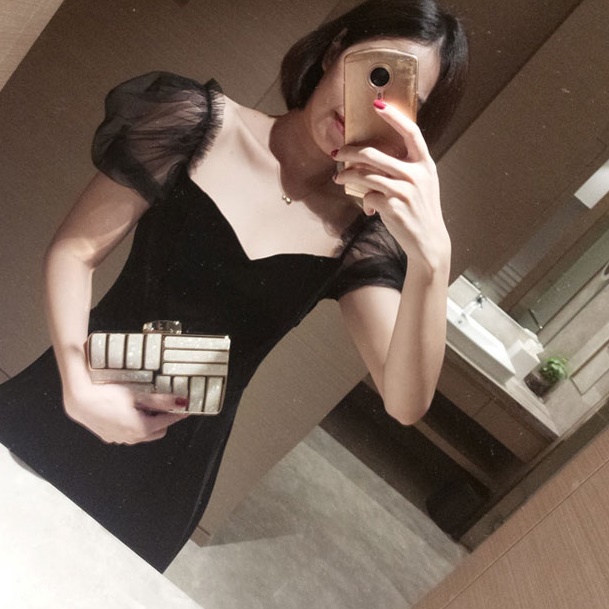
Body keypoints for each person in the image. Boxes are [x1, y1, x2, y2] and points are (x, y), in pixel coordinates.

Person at [0, 0, 468, 572]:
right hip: (67, 391)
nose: (370, 105)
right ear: (334, 51)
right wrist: (77, 384)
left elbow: (404, 401)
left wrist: (433, 260)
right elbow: (76, 251)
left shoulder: (359, 234)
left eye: (400, 99)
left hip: (165, 474)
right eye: (376, 72)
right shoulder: (192, 122)